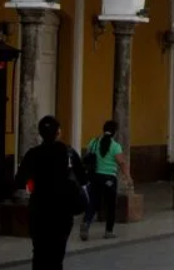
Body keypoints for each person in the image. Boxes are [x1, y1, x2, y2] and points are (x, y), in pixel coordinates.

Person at [14, 114, 87, 270]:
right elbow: (83, 179)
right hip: (62, 212)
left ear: (40, 133)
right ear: (58, 132)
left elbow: (19, 181)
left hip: (39, 210)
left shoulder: (32, 154)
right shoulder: (69, 153)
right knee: (56, 255)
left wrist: (33, 185)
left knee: (39, 253)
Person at [80, 120, 131, 241]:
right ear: (115, 132)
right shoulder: (115, 146)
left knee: (93, 202)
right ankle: (109, 231)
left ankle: (86, 222)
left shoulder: (94, 142)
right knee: (110, 205)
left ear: (103, 130)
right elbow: (122, 163)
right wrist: (128, 177)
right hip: (109, 179)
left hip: (95, 177)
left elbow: (88, 155)